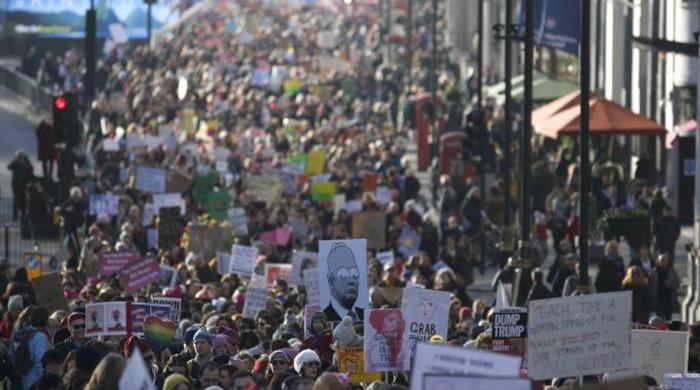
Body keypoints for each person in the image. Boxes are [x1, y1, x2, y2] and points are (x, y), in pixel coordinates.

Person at [322, 243, 364, 322]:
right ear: (330, 281)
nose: (351, 281)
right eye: (343, 275)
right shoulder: (324, 319)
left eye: (354, 274)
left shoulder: (365, 315)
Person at [13, 306, 50, 390]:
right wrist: (46, 382)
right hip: (37, 381)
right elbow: (40, 362)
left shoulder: (22, 333)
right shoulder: (40, 337)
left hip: (24, 379)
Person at [651, 253, 680, 320]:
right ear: (658, 261)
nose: (663, 262)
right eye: (661, 261)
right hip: (657, 299)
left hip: (668, 299)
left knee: (668, 318)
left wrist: (671, 283)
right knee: (658, 319)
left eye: (665, 261)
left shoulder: (672, 271)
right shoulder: (654, 272)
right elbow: (649, 285)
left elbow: (677, 283)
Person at [8, 150, 34, 222]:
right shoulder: (15, 164)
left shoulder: (27, 165)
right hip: (16, 187)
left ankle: (23, 218)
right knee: (16, 202)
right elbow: (9, 166)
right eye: (20, 157)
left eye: (22, 157)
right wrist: (16, 160)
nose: (21, 158)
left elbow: (31, 169)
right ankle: (15, 217)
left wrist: (26, 163)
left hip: (24, 187)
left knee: (24, 204)